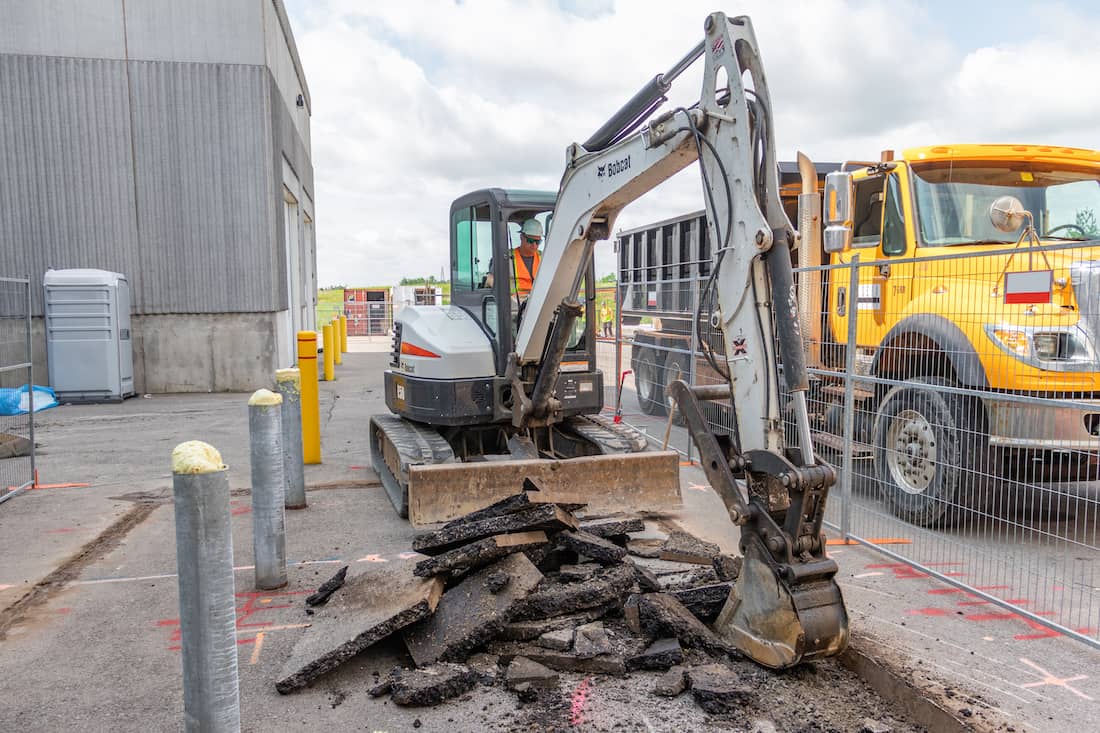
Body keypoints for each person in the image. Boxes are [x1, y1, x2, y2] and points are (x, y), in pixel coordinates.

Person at [511, 218, 542, 301]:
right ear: (522, 237)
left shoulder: (544, 258)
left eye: (538, 242)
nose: (535, 245)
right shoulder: (507, 258)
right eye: (531, 241)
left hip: (537, 305)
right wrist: (508, 295)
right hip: (514, 308)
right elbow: (490, 280)